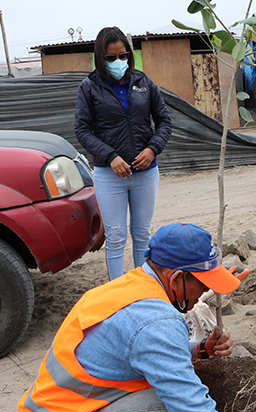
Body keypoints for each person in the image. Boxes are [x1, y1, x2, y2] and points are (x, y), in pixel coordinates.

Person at [17, 223, 241, 412]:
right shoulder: (157, 322)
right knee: (172, 405)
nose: (205, 291)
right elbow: (193, 410)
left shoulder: (132, 285)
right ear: (175, 279)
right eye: (203, 283)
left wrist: (200, 349)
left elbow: (134, 350)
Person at [75, 26, 172, 281]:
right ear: (100, 57)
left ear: (129, 54)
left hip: (145, 173)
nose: (118, 62)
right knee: (116, 237)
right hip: (110, 176)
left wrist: (152, 149)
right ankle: (118, 293)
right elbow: (82, 130)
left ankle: (143, 291)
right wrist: (110, 157)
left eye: (123, 55)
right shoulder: (89, 88)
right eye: (110, 57)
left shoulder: (143, 82)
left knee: (142, 234)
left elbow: (164, 121)